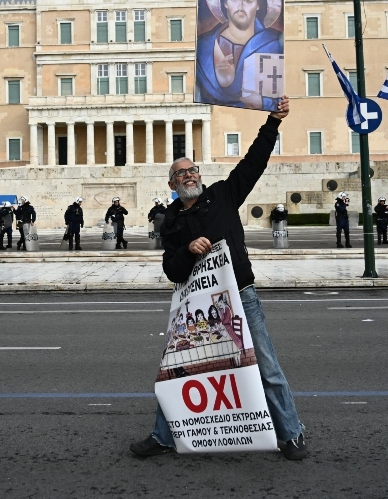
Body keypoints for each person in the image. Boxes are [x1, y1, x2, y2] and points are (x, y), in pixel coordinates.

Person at [129, 96, 308, 460]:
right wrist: (187, 250)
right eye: (181, 173)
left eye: (192, 170)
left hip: (241, 295)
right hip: (197, 306)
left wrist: (272, 122)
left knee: (267, 367)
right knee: (179, 369)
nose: (189, 175)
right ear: (172, 184)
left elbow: (253, 162)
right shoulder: (171, 221)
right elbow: (171, 270)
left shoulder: (224, 194)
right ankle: (163, 436)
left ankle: (291, 433)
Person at [195, 0, 284, 110]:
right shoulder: (204, 46)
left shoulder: (274, 44)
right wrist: (220, 80)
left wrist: (264, 103)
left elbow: (277, 96)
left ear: (258, 5)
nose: (240, 6)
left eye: (248, 1)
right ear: (225, 3)